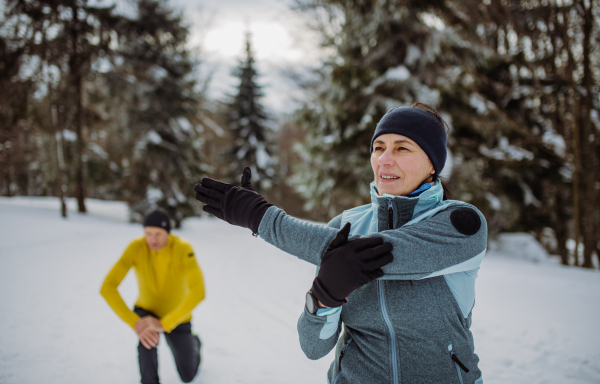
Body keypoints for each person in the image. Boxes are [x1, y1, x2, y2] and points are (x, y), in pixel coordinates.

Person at [194, 103, 487, 384]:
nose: (384, 159)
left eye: (402, 148)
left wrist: (261, 217)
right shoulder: (346, 225)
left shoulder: (461, 224)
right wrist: (324, 299)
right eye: (378, 148)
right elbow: (313, 348)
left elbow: (370, 254)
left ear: (432, 164)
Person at [100, 210, 205, 384]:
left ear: (168, 233)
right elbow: (107, 287)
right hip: (146, 310)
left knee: (188, 376)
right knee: (146, 339)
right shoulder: (136, 247)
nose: (153, 239)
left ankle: (195, 343)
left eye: (158, 234)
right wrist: (135, 323)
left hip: (177, 317)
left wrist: (165, 324)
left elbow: (198, 292)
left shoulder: (183, 248)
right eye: (148, 233)